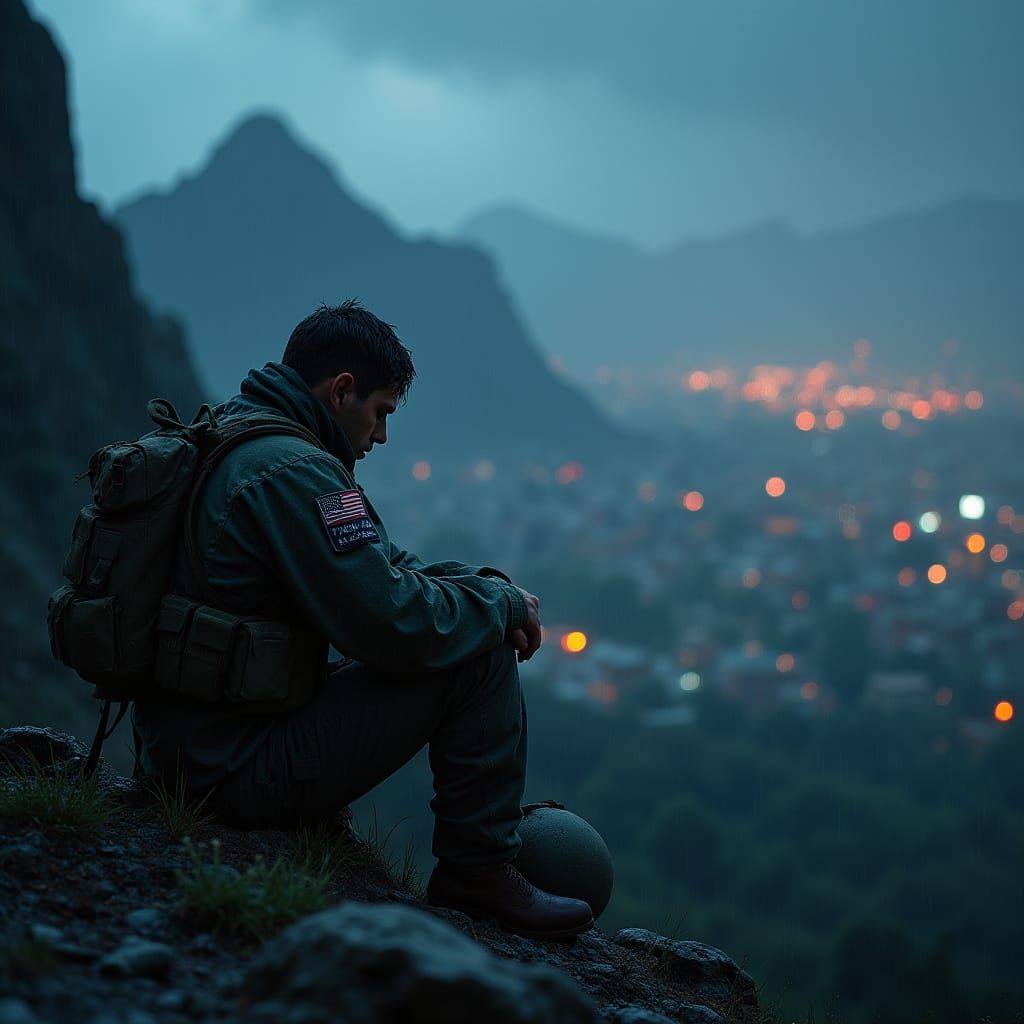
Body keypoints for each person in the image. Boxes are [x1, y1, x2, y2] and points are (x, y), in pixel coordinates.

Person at [132, 299, 594, 938]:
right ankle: (478, 870)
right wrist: (500, 610)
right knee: (478, 654)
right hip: (230, 771)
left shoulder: (241, 434)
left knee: (468, 618)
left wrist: (480, 585)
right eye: (380, 413)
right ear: (342, 391)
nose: (380, 436)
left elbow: (378, 571)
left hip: (184, 751)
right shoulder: (295, 472)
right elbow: (393, 620)